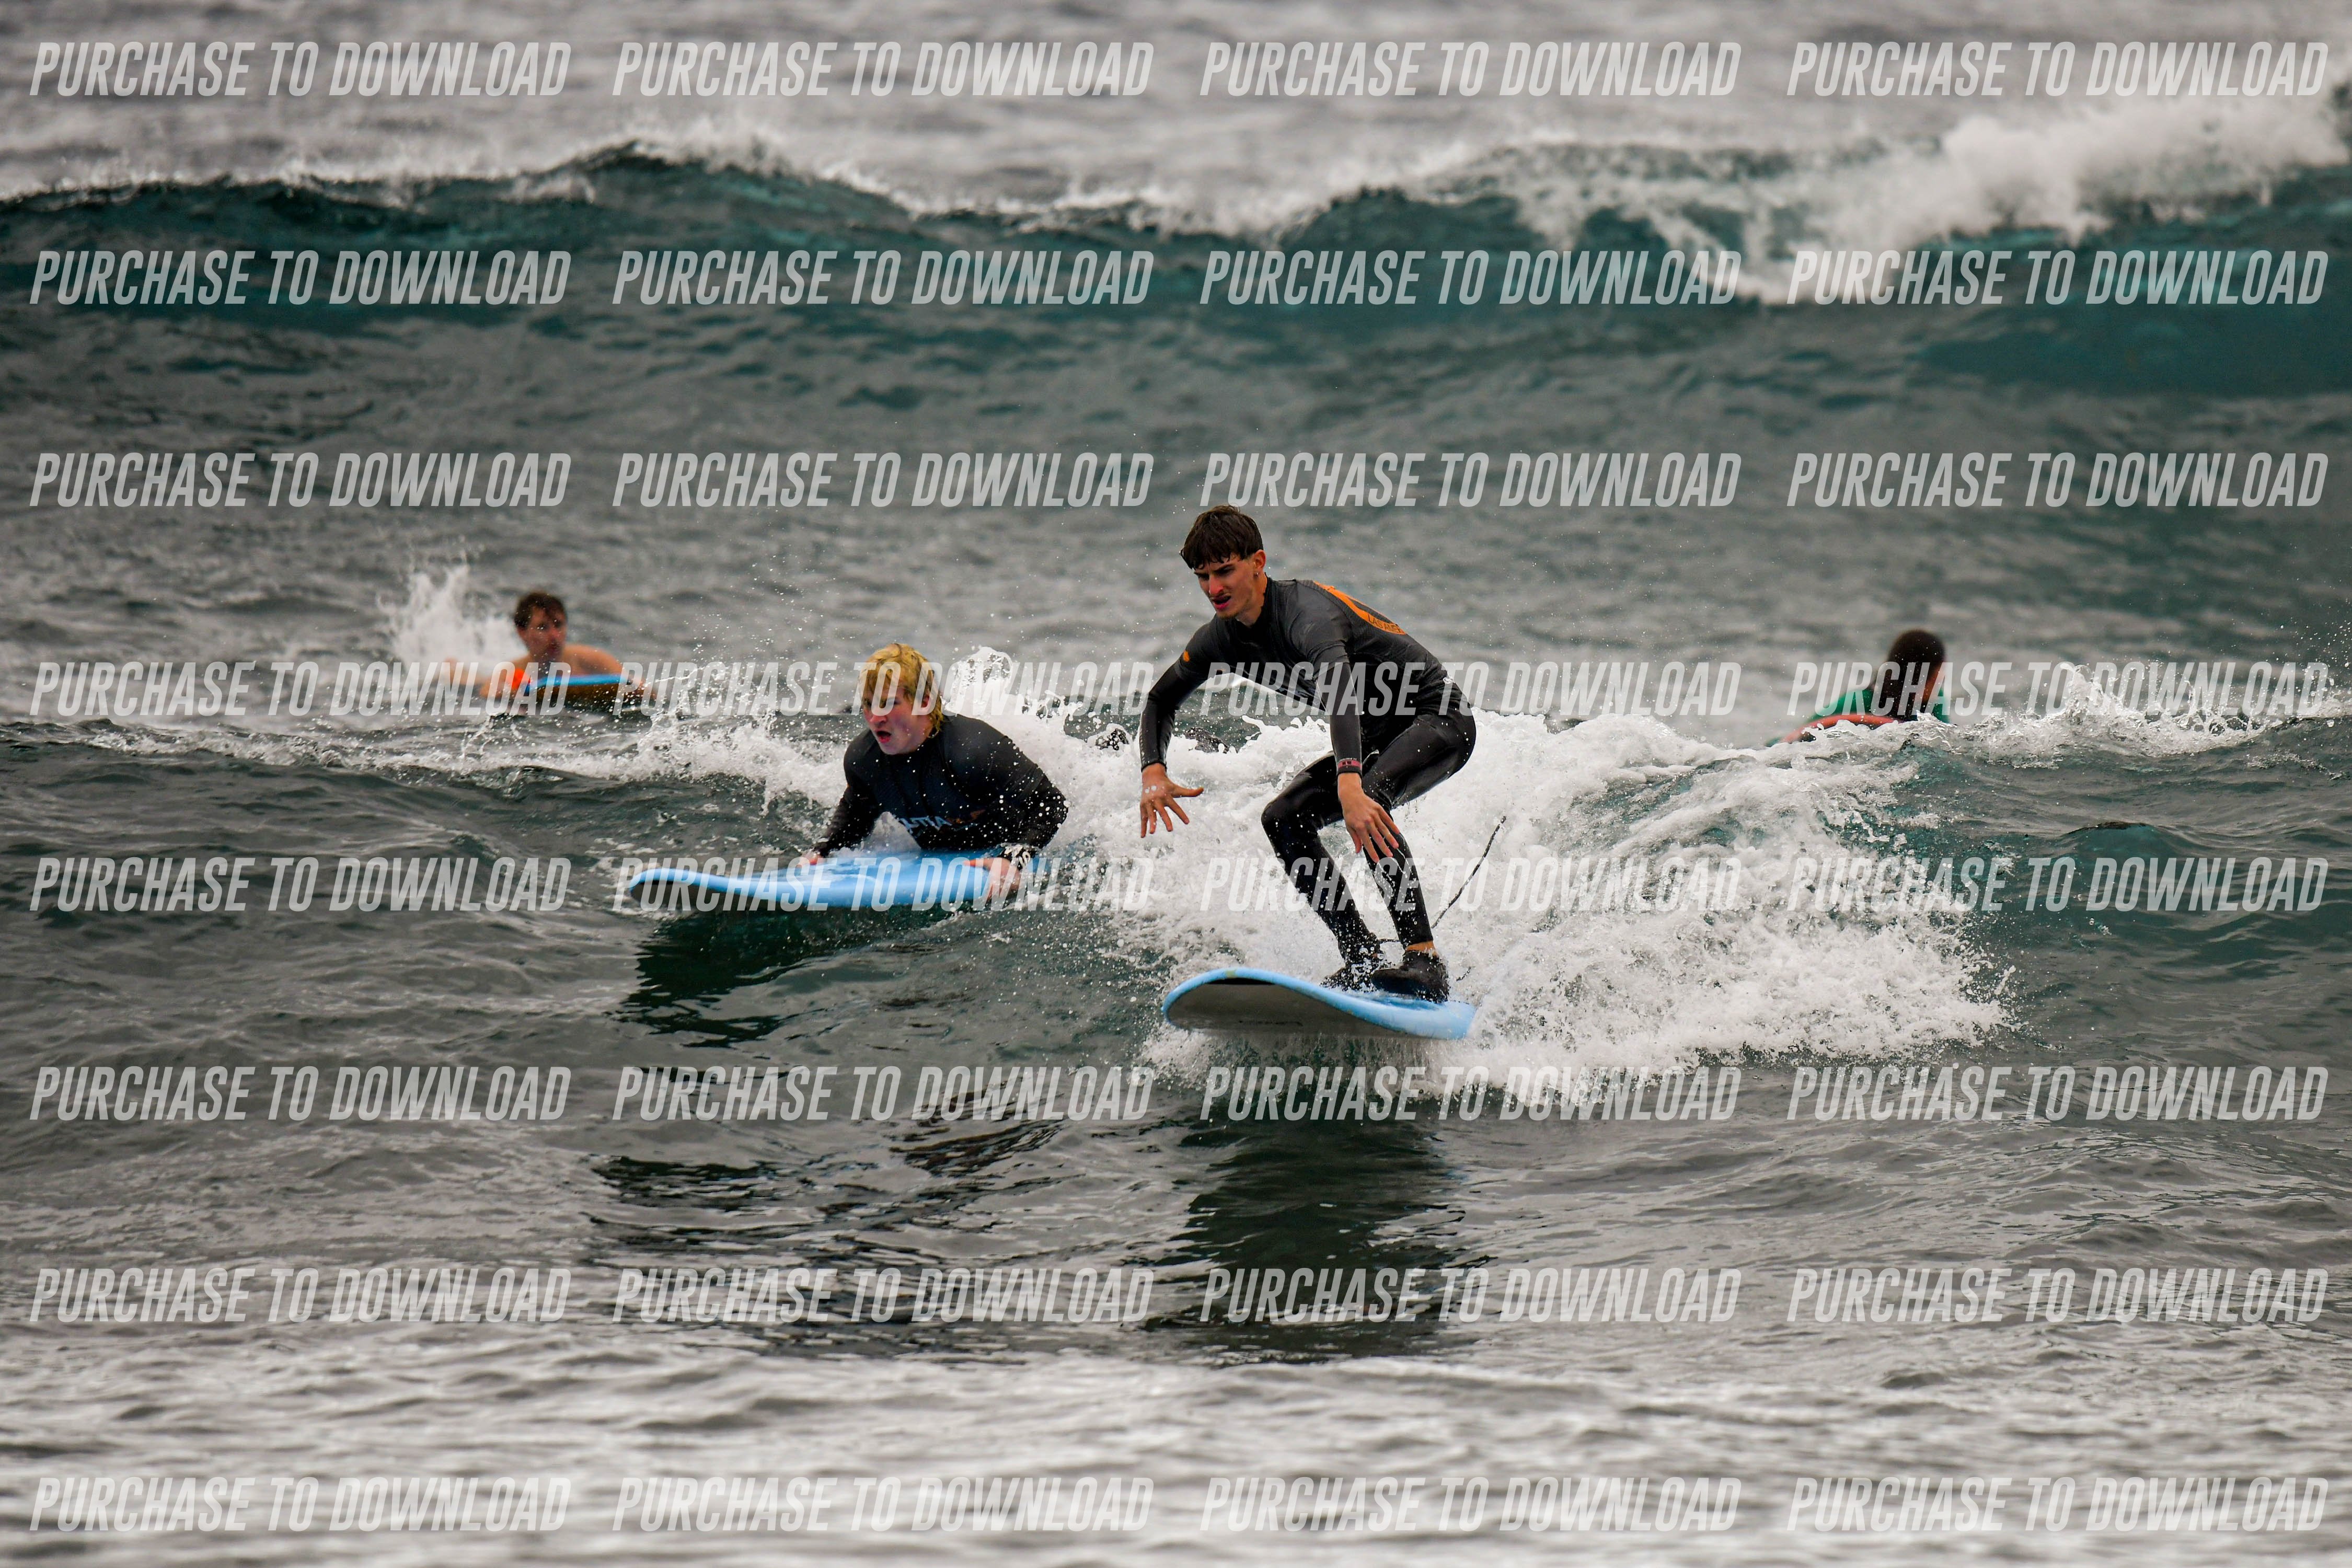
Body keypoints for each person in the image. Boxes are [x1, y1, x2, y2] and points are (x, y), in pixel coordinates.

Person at [1137, 506, 1474, 1001]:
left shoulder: (1307, 616)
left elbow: (1341, 693)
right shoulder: (1220, 639)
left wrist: (1350, 781)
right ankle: (1361, 957)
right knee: (1283, 818)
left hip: (1439, 718)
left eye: (1225, 571)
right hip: (1378, 734)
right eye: (1203, 577)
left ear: (1258, 562)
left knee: (1369, 796)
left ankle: (1425, 961)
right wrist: (1153, 769)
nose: (1214, 588)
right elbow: (1160, 700)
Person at [805, 643, 1068, 894]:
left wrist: (1014, 859)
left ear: (925, 702)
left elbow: (1052, 804)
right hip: (940, 857)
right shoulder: (864, 760)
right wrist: (822, 851)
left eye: (889, 704)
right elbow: (856, 814)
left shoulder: (973, 751)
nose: (875, 718)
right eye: (868, 704)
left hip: (1011, 850)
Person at [1781, 629, 1948, 742]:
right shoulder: (1859, 701)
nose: (1942, 679)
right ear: (1919, 678)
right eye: (1937, 676)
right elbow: (1795, 739)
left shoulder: (1935, 700)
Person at [468, 591, 633, 705]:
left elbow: (636, 686)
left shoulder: (592, 660)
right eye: (543, 627)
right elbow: (487, 693)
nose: (554, 636)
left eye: (559, 625)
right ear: (522, 632)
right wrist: (511, 693)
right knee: (472, 680)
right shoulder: (511, 671)